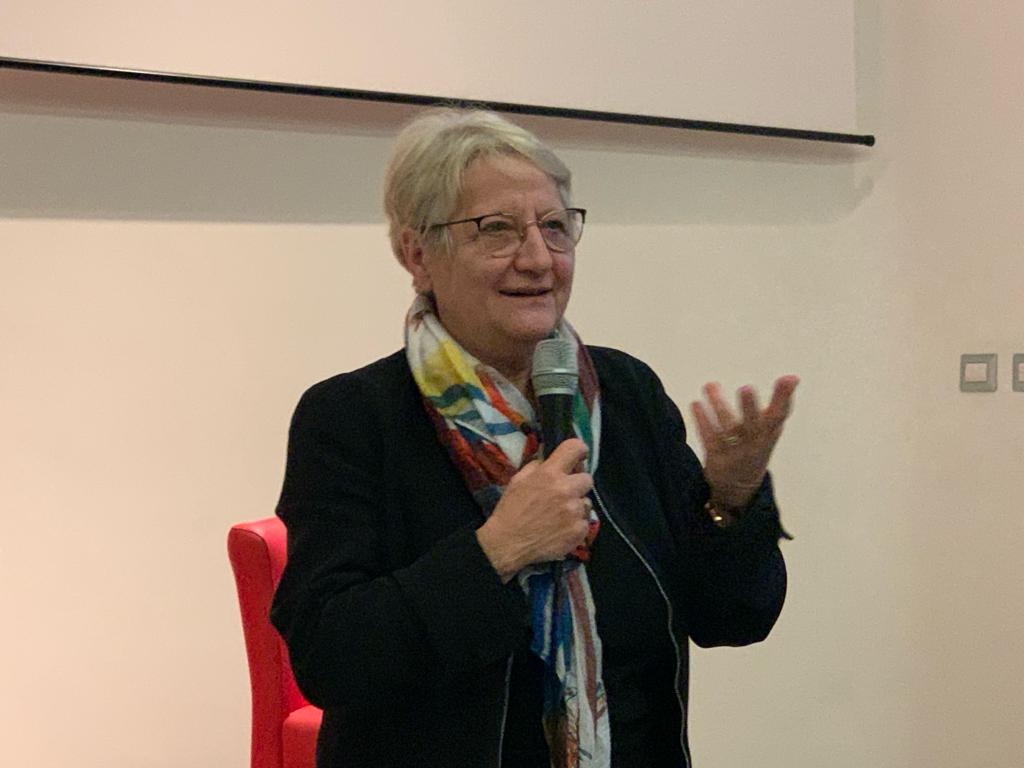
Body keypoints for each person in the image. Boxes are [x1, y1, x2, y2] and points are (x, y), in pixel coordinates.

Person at [270, 108, 798, 768]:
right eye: (496, 229)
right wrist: (497, 550)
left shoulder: (625, 393)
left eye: (554, 227)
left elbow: (733, 619)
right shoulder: (353, 417)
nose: (538, 258)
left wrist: (731, 501)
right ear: (418, 254)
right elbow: (330, 657)